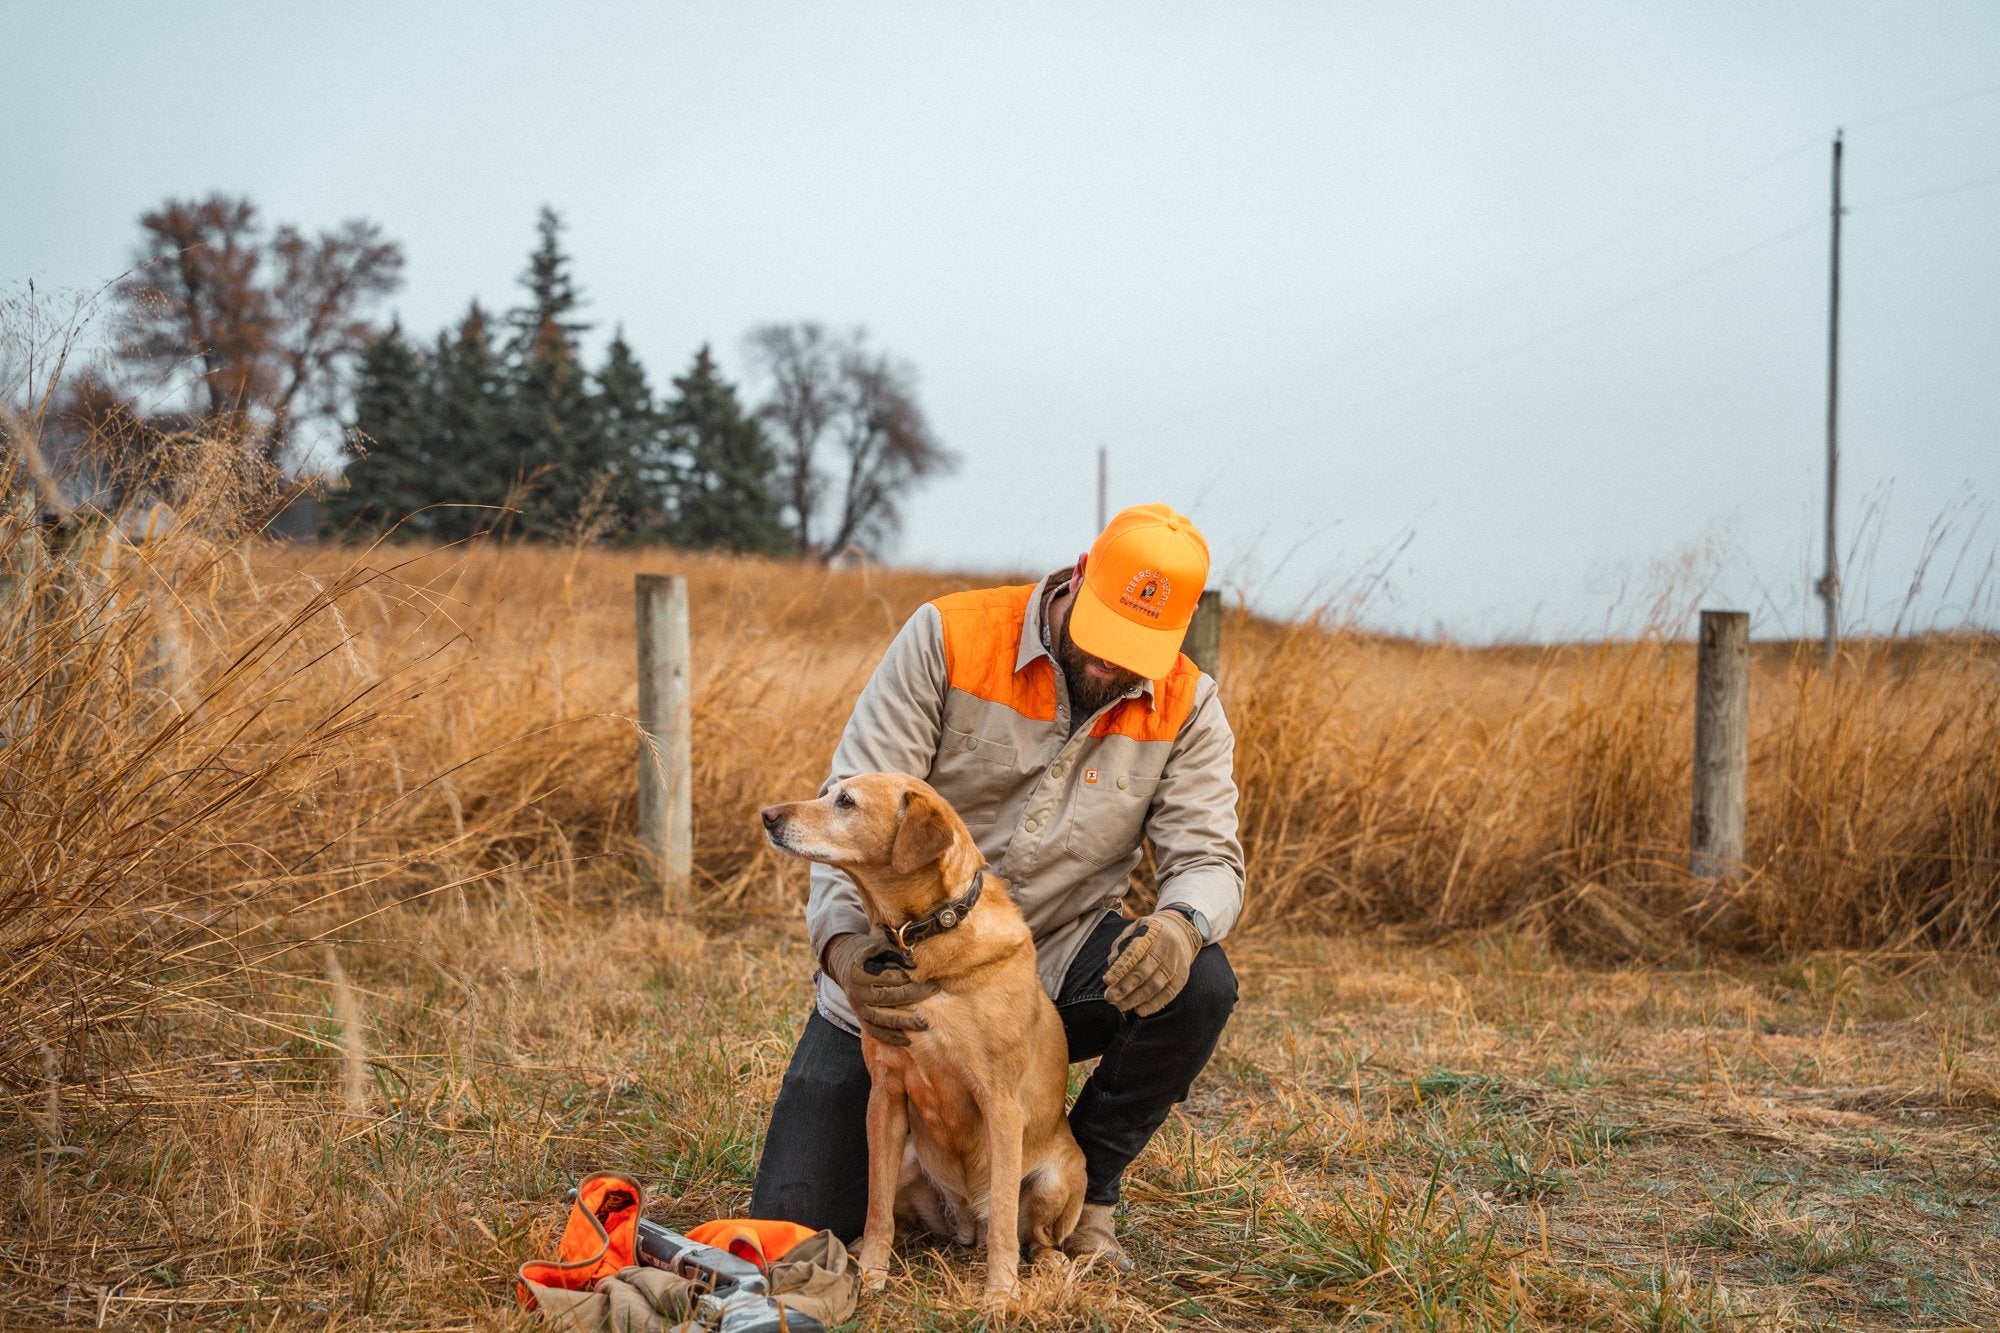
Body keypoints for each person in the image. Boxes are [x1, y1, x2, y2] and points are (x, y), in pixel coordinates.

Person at [748, 503, 1244, 1271]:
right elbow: (847, 816)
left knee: (1199, 984)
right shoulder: (948, 636)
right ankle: (937, 1167)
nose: (1112, 664)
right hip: (900, 978)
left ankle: (1085, 1195)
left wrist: (1182, 922)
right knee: (796, 1217)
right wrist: (846, 955)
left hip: (1050, 972)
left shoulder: (1189, 705)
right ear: (1078, 577)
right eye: (1104, 635)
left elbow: (1211, 856)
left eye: (1136, 651)